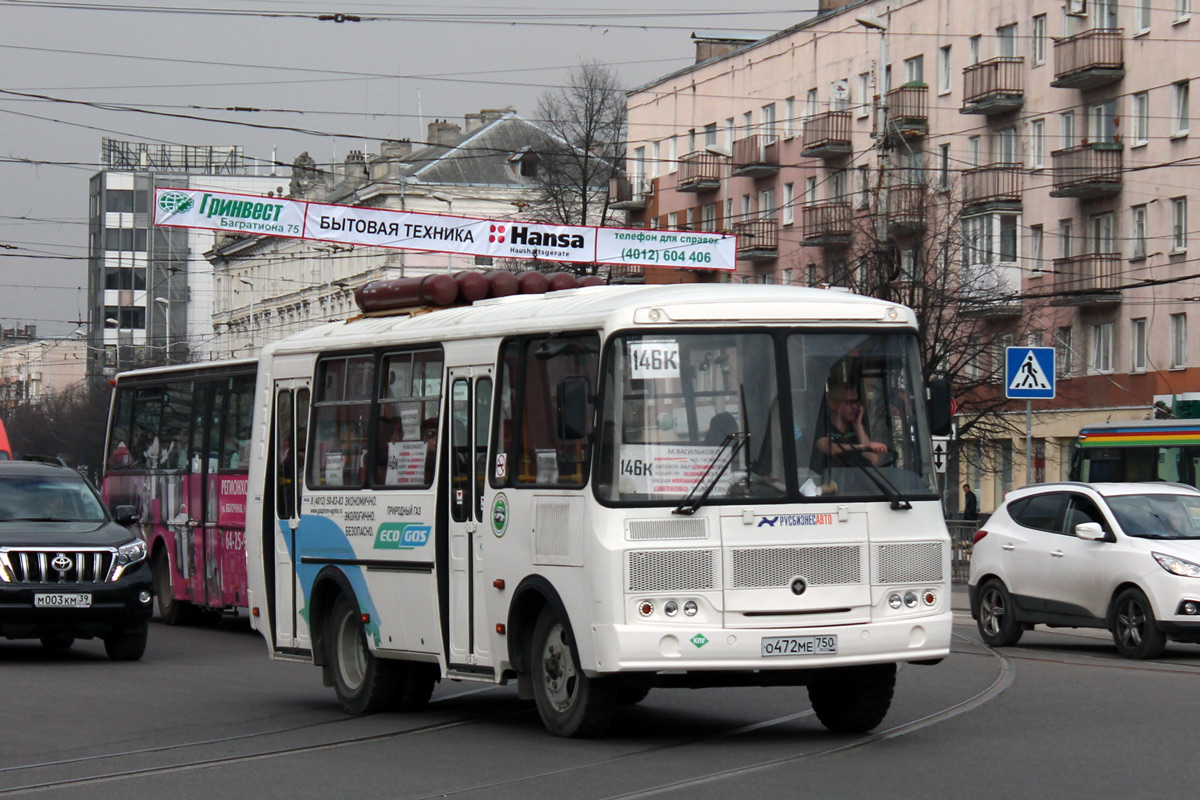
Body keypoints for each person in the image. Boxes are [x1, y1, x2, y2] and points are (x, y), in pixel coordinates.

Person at [814, 382, 888, 467]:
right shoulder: (824, 425)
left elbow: (871, 459)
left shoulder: (856, 430)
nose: (855, 407)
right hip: (829, 478)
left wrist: (858, 425)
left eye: (856, 402)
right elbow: (827, 447)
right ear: (833, 403)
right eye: (849, 402)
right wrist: (863, 447)